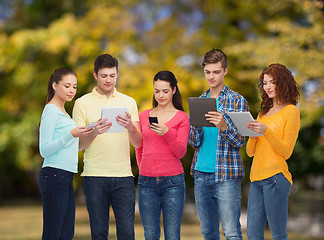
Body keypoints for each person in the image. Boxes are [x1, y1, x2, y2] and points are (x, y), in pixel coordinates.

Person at [72, 53, 141, 240]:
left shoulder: (129, 102)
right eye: (104, 76)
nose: (108, 80)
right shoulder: (81, 103)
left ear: (117, 74)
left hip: (123, 177)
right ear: (95, 75)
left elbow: (138, 142)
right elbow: (78, 145)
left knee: (127, 233)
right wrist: (94, 131)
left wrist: (130, 127)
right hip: (94, 177)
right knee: (99, 232)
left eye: (112, 75)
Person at [189, 49, 249, 240]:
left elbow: (240, 141)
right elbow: (194, 142)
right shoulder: (201, 101)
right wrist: (197, 125)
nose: (211, 76)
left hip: (227, 176)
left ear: (225, 71)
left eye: (216, 72)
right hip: (200, 175)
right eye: (208, 72)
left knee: (231, 233)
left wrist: (223, 126)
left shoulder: (238, 101)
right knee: (208, 233)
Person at [245, 63, 300, 240]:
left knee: (278, 235)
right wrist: (252, 135)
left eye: (272, 82)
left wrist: (266, 131)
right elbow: (250, 153)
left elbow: (286, 152)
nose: (267, 87)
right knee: (253, 235)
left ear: (283, 83)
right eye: (265, 83)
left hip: (276, 179)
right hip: (256, 180)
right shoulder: (263, 113)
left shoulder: (291, 112)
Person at [38, 67, 92, 239]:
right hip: (54, 175)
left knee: (66, 234)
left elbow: (73, 147)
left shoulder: (65, 114)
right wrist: (71, 134)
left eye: (74, 87)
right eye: (67, 86)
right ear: (55, 85)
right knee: (53, 234)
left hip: (66, 176)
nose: (71, 91)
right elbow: (44, 149)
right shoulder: (51, 110)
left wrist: (93, 132)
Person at [136, 71, 190, 240]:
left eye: (165, 91)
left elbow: (181, 152)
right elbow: (140, 146)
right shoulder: (144, 115)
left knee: (172, 235)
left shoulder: (182, 117)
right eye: (157, 91)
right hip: (146, 182)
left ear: (174, 90)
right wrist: (143, 168)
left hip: (173, 182)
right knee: (150, 235)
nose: (160, 95)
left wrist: (167, 132)